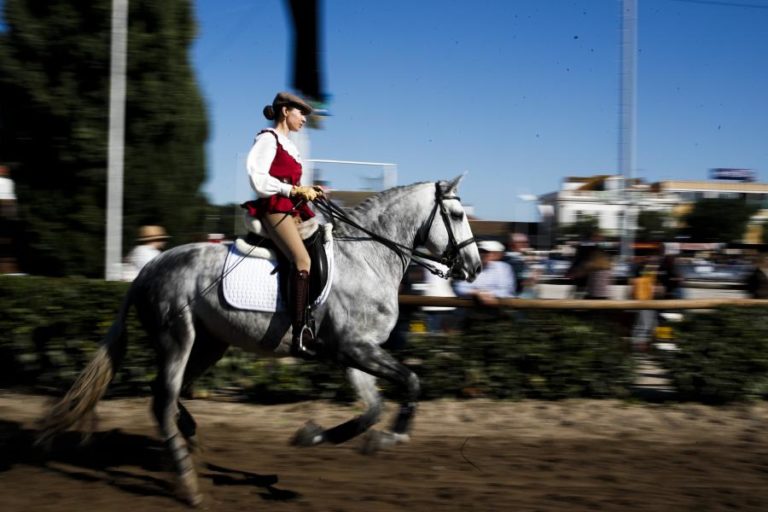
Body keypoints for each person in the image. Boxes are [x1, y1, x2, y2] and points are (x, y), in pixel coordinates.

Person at [244, 91, 324, 358]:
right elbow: (258, 179)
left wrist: (308, 189)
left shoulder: (291, 146)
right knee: (302, 260)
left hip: (293, 208)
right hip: (274, 208)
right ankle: (300, 333)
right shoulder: (268, 139)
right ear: (285, 111)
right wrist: (293, 191)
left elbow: (289, 183)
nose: (304, 119)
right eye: (300, 112)